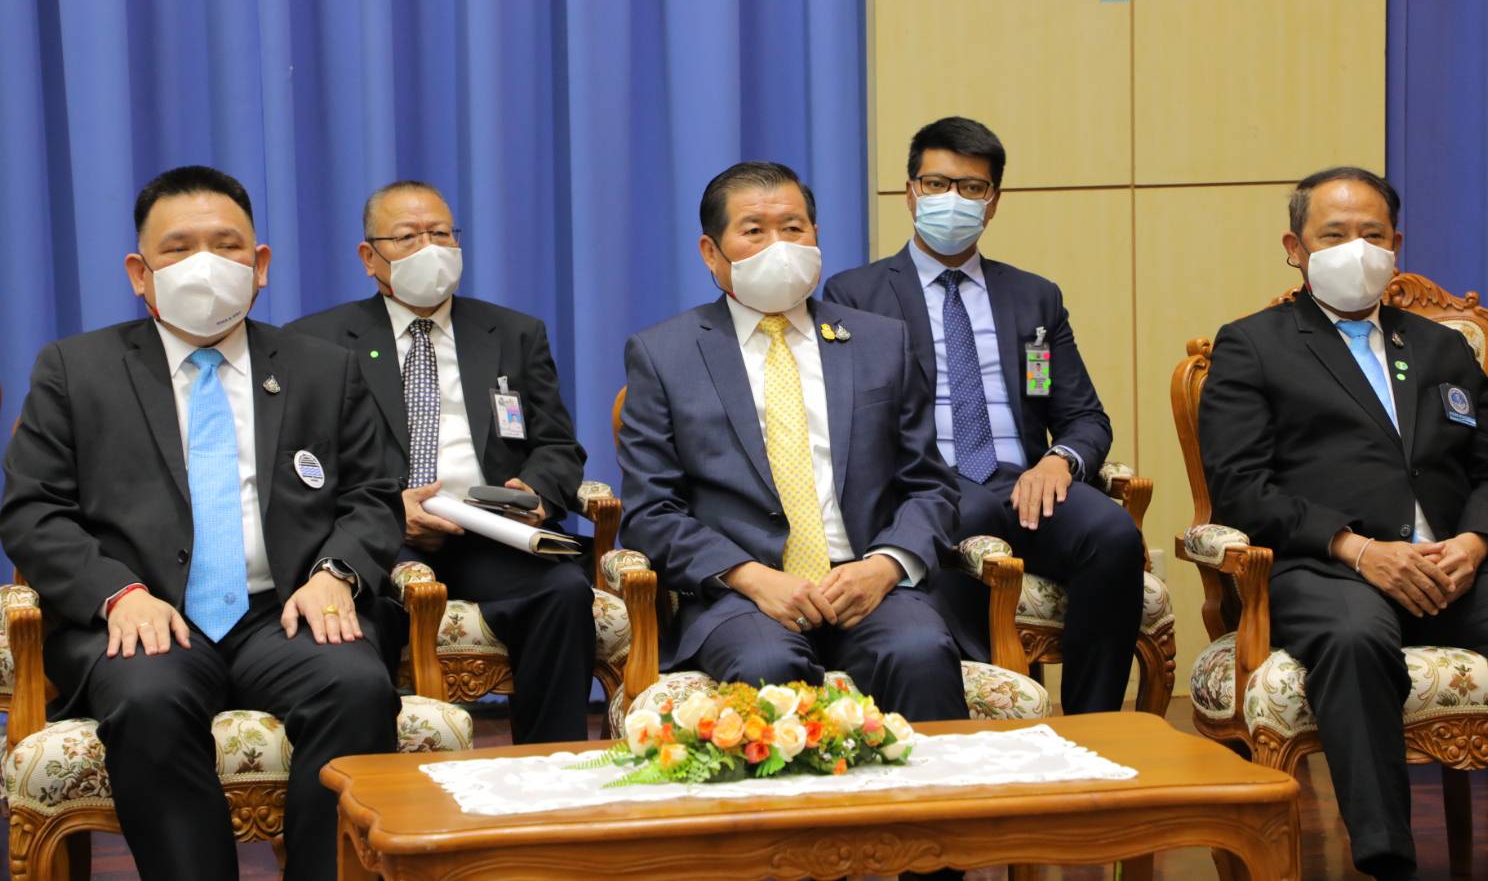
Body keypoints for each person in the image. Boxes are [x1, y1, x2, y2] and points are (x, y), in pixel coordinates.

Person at [0, 166, 402, 881]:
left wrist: (335, 573)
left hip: (283, 611)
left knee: (357, 687)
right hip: (141, 615)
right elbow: (32, 509)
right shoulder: (75, 369)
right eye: (179, 248)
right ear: (140, 273)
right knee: (148, 699)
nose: (206, 264)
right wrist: (116, 593)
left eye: (227, 245)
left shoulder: (323, 369)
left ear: (261, 264)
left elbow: (372, 494)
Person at [1199, 166, 1488, 881]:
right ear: (1294, 248)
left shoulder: (1441, 348)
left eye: (1372, 234)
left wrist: (1474, 542)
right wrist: (1357, 548)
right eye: (1333, 235)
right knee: (1352, 639)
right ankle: (1386, 860)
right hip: (1330, 566)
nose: (1356, 250)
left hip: (1459, 565)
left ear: (1396, 245)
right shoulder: (1252, 345)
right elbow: (1240, 487)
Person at [617, 160, 966, 721]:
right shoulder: (665, 355)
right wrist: (751, 578)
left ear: (816, 236)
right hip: (743, 597)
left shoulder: (880, 342)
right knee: (767, 665)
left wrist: (885, 567)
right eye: (754, 230)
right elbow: (650, 511)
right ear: (711, 252)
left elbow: (930, 486)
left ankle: (936, 786)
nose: (778, 245)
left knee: (920, 652)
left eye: (793, 228)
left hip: (867, 582)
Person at [823, 116, 1142, 713]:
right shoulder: (855, 296)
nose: (953, 199)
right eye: (937, 184)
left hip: (1022, 485)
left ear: (992, 202)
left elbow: (1083, 415)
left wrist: (1058, 460)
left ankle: (1093, 724)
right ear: (910, 192)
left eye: (971, 188)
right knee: (963, 515)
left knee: (1113, 534)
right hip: (926, 485)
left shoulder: (1033, 298)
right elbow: (850, 423)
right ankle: (969, 714)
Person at [289, 181, 593, 744]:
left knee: (564, 591)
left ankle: (553, 764)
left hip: (489, 531)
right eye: (407, 237)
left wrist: (534, 492)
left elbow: (558, 445)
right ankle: (381, 768)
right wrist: (389, 513)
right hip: (377, 538)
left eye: (441, 234)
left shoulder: (513, 333)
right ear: (369, 258)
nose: (429, 248)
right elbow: (304, 465)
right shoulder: (318, 342)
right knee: (365, 615)